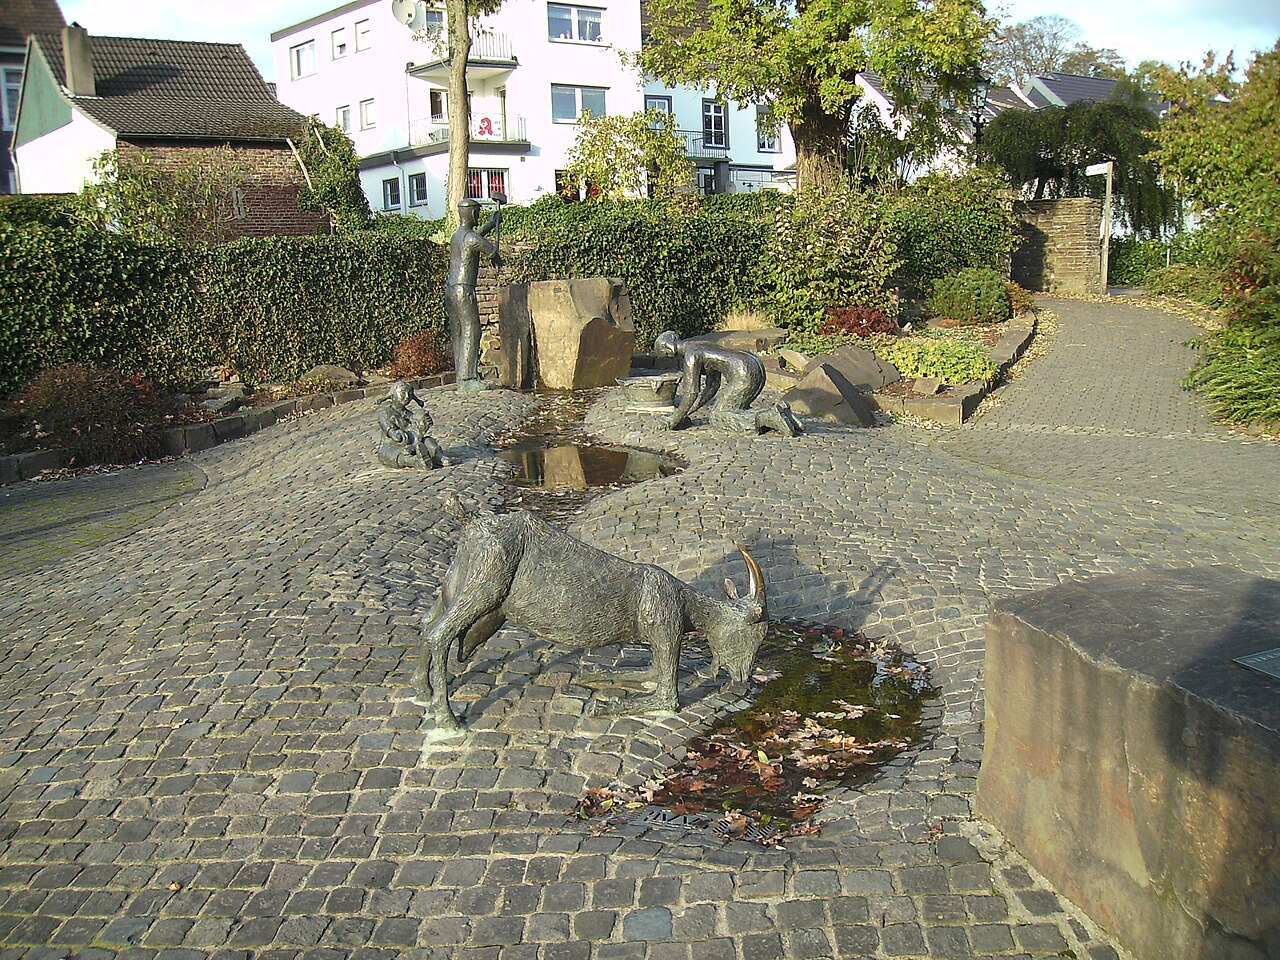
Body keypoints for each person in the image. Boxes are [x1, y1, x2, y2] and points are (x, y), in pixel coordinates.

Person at [653, 330, 802, 436]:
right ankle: (782, 413)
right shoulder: (699, 345)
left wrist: (672, 420)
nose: (665, 356)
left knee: (718, 416)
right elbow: (712, 387)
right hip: (752, 366)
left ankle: (768, 417)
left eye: (662, 352)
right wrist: (685, 414)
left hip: (743, 373)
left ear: (667, 347)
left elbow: (691, 393)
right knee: (735, 409)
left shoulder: (690, 355)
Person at [445, 198, 502, 392]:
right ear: (471, 213)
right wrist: (496, 250)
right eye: (476, 212)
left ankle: (461, 377)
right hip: (464, 288)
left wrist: (492, 223)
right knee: (472, 329)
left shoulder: (457, 236)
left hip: (451, 288)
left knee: (458, 332)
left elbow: (475, 237)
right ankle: (468, 378)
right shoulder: (470, 238)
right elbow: (491, 251)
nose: (478, 215)